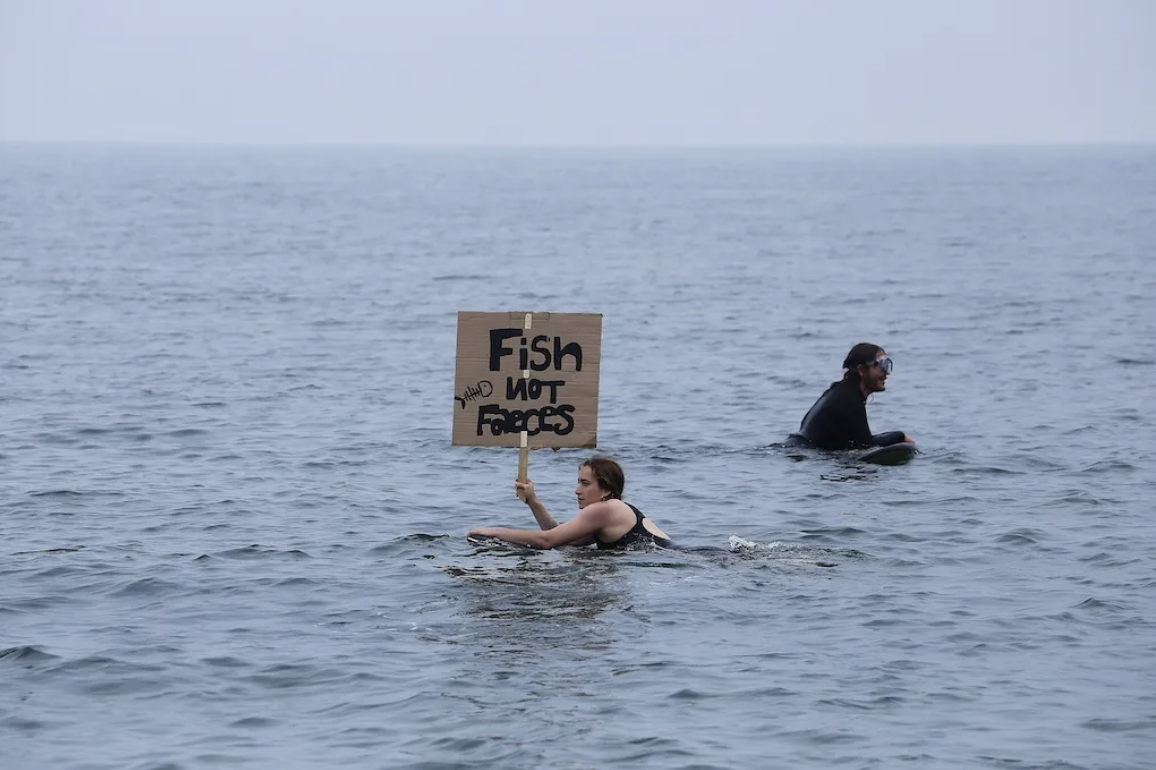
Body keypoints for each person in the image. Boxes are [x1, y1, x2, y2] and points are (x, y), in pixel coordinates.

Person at [467, 456, 674, 550]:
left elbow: (546, 541)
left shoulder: (606, 509)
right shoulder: (609, 514)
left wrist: (493, 531)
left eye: (585, 484)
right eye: (578, 482)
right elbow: (561, 538)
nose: (577, 490)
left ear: (607, 489)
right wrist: (533, 501)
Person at [787, 342, 915, 451]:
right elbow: (867, 445)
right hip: (802, 453)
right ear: (861, 370)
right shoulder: (849, 400)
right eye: (880, 365)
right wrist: (900, 436)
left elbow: (858, 441)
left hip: (798, 448)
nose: (886, 372)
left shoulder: (838, 392)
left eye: (887, 365)